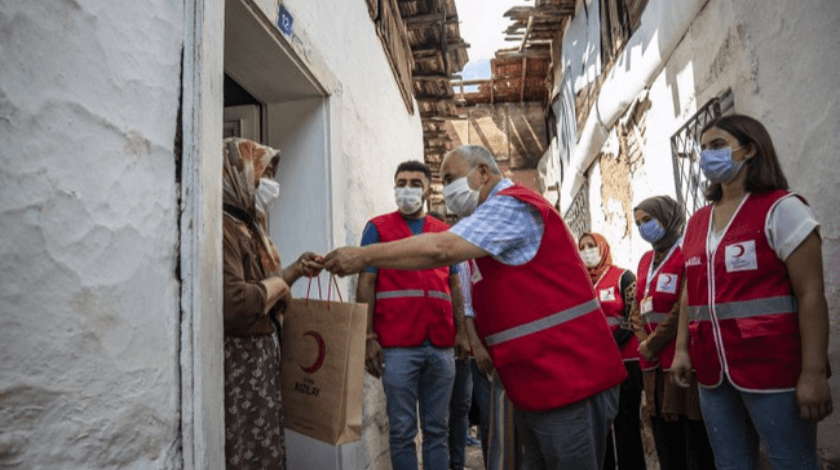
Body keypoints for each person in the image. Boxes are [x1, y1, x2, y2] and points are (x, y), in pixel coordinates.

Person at [325, 144, 627, 470]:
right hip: (540, 381)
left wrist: (363, 256)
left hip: (570, 380)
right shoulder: (482, 221)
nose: (449, 190)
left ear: (482, 172)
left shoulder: (511, 206)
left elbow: (442, 251)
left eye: (451, 178)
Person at [671, 114, 833, 470]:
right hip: (712, 371)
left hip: (775, 369)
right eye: (702, 149)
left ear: (750, 150)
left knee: (792, 462)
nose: (706, 156)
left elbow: (810, 295)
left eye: (717, 146)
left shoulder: (782, 209)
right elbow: (689, 295)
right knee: (730, 463)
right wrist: (682, 349)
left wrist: (813, 372)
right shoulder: (698, 221)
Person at [355, 161, 470, 470]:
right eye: (401, 182)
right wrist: (367, 338)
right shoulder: (377, 228)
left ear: (428, 189)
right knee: (403, 431)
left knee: (437, 430)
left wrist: (461, 331)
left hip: (441, 343)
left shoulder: (444, 232)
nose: (407, 188)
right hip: (397, 345)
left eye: (415, 183)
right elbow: (366, 282)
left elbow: (455, 282)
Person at [221, 138, 323, 469]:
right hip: (241, 358)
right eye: (261, 175)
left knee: (266, 444)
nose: (270, 185)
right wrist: (288, 276)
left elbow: (265, 284)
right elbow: (236, 302)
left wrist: (292, 273)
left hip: (263, 351)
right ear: (236, 175)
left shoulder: (250, 225)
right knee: (248, 447)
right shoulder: (223, 229)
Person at [630, 196, 715, 470]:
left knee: (692, 443)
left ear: (668, 218)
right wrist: (643, 342)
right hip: (651, 366)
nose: (644, 227)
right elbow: (636, 307)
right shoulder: (645, 260)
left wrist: (653, 343)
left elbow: (683, 306)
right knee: (666, 445)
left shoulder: (685, 252)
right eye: (639, 222)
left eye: (648, 220)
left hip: (678, 362)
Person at [578, 233, 645, 470]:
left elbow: (632, 317)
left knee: (626, 424)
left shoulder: (623, 277)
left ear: (603, 247)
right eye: (582, 247)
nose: (587, 251)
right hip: (593, 366)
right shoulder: (578, 281)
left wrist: (606, 346)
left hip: (625, 360)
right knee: (599, 428)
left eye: (591, 246)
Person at [429, 211, 474, 470]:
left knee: (460, 408)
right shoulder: (426, 263)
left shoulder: (462, 260)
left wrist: (467, 338)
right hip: (438, 344)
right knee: (438, 412)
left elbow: (465, 300)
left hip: (462, 345)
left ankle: (457, 463)